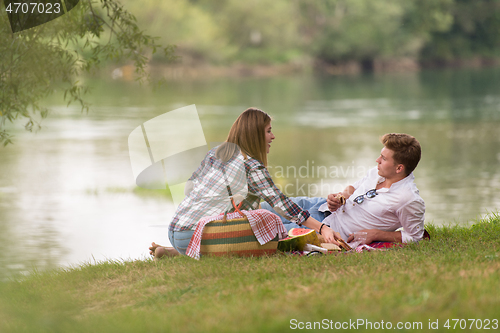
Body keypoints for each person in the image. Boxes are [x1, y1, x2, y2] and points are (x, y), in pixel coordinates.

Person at [150, 108, 343, 258]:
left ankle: (178, 251)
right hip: (197, 235)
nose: (273, 136)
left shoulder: (216, 153)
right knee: (275, 232)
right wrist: (322, 228)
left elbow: (188, 188)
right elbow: (283, 205)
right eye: (268, 131)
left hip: (176, 229)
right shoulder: (251, 165)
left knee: (265, 213)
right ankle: (324, 232)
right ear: (255, 135)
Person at [261, 133, 425, 244]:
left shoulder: (408, 199)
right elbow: (354, 187)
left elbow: (415, 236)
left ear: (399, 168)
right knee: (261, 208)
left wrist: (376, 234)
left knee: (260, 230)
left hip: (330, 231)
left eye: (383, 158)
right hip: (320, 207)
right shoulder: (378, 172)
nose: (377, 160)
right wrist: (340, 197)